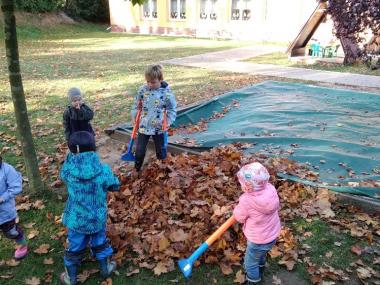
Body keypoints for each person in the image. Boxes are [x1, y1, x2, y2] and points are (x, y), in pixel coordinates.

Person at [60, 131, 120, 285]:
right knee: (99, 241)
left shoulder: (68, 170)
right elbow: (115, 185)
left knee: (75, 245)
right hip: (96, 217)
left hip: (76, 219)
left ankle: (70, 277)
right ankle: (105, 268)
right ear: (94, 147)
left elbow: (62, 175)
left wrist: (72, 157)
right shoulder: (103, 170)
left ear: (71, 150)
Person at [233, 162, 281, 285]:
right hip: (272, 234)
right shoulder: (270, 189)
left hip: (257, 239)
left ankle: (253, 281)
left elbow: (239, 217)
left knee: (250, 263)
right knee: (261, 253)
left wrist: (237, 209)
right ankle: (261, 266)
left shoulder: (246, 200)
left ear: (248, 186)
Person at [130, 64, 177, 173]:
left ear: (160, 79)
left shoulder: (167, 94)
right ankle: (137, 168)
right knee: (139, 150)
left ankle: (162, 168)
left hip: (159, 127)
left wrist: (168, 121)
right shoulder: (142, 90)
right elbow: (136, 105)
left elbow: (172, 109)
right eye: (148, 82)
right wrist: (134, 115)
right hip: (143, 126)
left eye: (153, 82)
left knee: (161, 149)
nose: (150, 84)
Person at [0, 155, 28, 260]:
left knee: (11, 232)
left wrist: (2, 198)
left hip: (4, 212)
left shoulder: (7, 169)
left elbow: (16, 186)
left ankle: (22, 244)